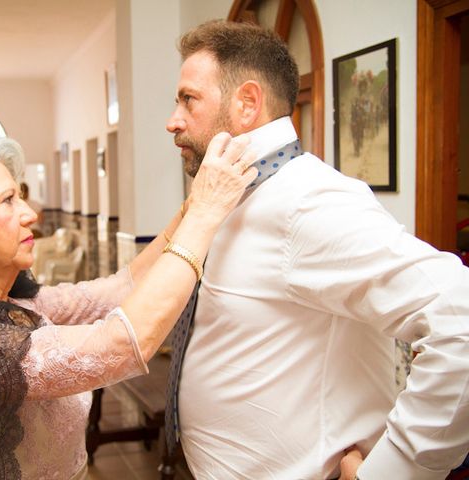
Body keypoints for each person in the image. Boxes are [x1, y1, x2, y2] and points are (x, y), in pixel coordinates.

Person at [0, 82, 257, 479]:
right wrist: (205, 216)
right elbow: (116, 345)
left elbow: (117, 289)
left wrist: (190, 209)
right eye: (8, 201)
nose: (30, 213)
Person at [165, 20, 469, 480]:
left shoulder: (308, 203)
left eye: (188, 99)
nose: (174, 120)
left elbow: (460, 315)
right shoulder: (227, 194)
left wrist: (396, 471)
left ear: (247, 103)